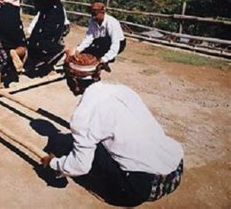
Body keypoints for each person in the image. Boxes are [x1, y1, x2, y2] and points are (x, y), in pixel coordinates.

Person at [41, 52, 184, 207]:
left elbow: (80, 166)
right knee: (86, 141)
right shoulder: (123, 90)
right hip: (175, 170)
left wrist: (53, 163)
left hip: (143, 187)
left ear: (74, 81)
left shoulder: (84, 114)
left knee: (65, 147)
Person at [75, 1, 126, 68]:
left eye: (95, 14)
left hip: (118, 43)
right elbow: (89, 38)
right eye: (92, 14)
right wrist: (78, 49)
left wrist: (105, 58)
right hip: (100, 39)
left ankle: (108, 58)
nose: (93, 17)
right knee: (85, 51)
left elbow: (115, 43)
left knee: (103, 44)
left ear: (103, 12)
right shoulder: (92, 21)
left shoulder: (112, 23)